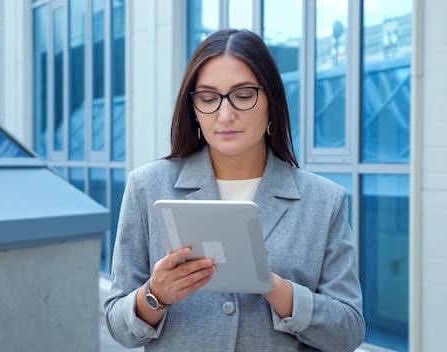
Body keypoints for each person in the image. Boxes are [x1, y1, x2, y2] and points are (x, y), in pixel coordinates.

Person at [104, 28, 365, 352]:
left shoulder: (324, 201)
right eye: (209, 98)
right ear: (194, 111)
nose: (225, 115)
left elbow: (349, 332)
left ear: (271, 102)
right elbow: (118, 325)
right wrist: (155, 295)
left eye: (243, 96)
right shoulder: (147, 186)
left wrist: (274, 287)